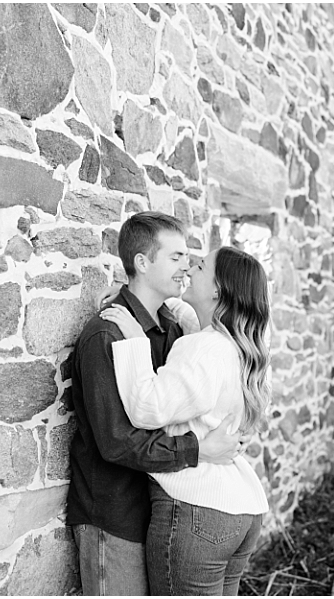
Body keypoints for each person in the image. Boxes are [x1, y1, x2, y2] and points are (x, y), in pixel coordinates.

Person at [65, 212, 248, 596]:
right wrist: (198, 450)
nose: (188, 266)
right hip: (115, 518)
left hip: (162, 515)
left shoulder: (176, 328)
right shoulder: (107, 333)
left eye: (191, 259)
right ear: (143, 263)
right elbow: (117, 441)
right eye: (177, 257)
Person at [100, 246, 270, 595]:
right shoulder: (241, 349)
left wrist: (134, 340)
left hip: (198, 514)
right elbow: (199, 332)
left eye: (201, 266)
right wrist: (159, 302)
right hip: (241, 513)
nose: (190, 267)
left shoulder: (206, 348)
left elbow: (146, 409)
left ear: (217, 290)